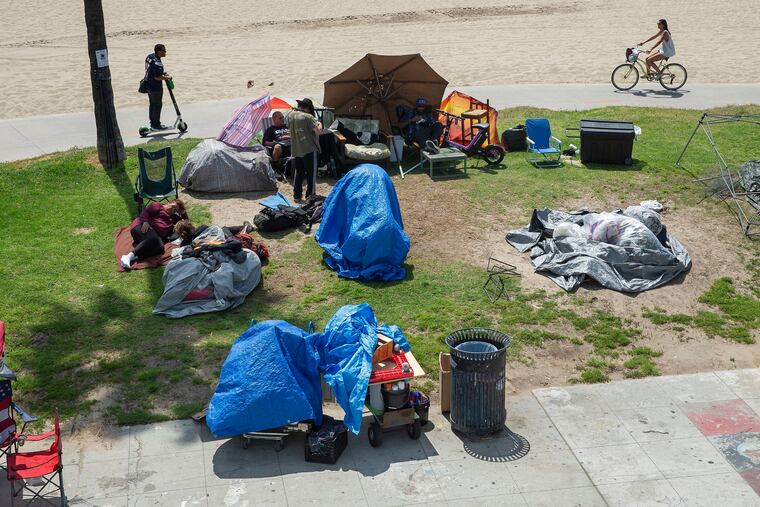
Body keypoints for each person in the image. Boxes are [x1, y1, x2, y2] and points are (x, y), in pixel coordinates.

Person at [120, 199, 187, 270]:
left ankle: (135, 256)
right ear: (169, 202)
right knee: (155, 239)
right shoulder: (158, 205)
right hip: (141, 227)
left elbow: (186, 223)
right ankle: (128, 256)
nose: (172, 209)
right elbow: (145, 212)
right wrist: (145, 222)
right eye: (173, 206)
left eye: (175, 210)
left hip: (149, 238)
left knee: (160, 248)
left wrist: (183, 213)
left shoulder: (174, 218)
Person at [288, 98, 322, 202]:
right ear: (308, 108)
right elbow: (318, 131)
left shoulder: (290, 116)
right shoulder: (309, 117)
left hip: (296, 149)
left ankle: (297, 196)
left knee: (299, 173)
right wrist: (319, 123)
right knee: (311, 174)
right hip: (309, 149)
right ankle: (310, 197)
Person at [144, 44, 172, 130]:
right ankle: (156, 125)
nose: (165, 52)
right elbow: (157, 77)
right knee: (157, 104)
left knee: (152, 104)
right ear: (159, 52)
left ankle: (153, 123)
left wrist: (162, 73)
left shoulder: (150, 56)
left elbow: (151, 70)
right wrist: (167, 77)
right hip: (155, 87)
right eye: (164, 51)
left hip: (147, 84)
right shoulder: (157, 63)